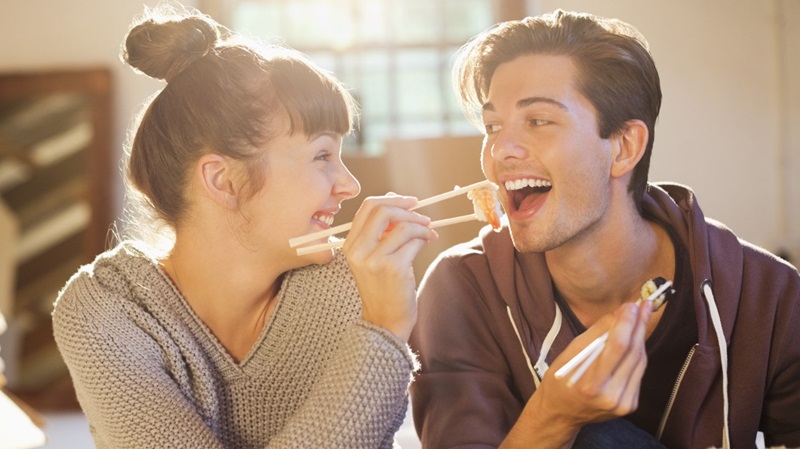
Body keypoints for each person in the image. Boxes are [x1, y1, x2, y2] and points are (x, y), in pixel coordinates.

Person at [409, 9, 800, 449]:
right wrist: (553, 416)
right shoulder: (460, 289)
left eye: (537, 121)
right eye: (493, 126)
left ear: (624, 147)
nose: (500, 150)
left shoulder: (769, 295)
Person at [52, 4, 437, 448]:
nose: (350, 185)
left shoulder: (349, 287)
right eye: (322, 156)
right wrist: (385, 328)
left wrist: (379, 315)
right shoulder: (106, 311)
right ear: (224, 180)